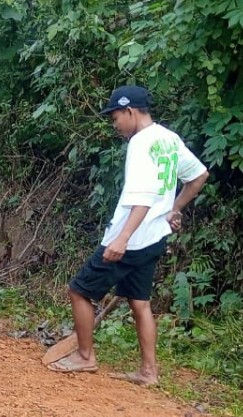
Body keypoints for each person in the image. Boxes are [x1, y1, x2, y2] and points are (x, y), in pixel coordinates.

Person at [50, 85, 208, 385]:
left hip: (131, 239)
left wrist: (122, 238)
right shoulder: (168, 138)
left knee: (79, 291)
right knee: (139, 302)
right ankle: (149, 371)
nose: (115, 125)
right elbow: (199, 175)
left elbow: (143, 198)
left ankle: (84, 356)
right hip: (155, 237)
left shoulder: (141, 143)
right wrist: (174, 209)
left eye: (115, 118)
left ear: (130, 111)